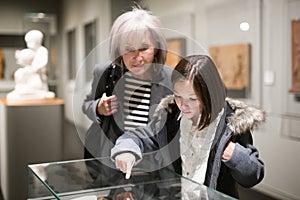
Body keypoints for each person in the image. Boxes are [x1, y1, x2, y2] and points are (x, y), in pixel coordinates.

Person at [111, 55, 265, 198]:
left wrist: (233, 154)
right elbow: (140, 136)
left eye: (193, 98)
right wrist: (127, 149)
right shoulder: (171, 117)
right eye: (178, 96)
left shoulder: (231, 124)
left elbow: (253, 176)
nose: (183, 105)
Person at [82, 6, 173, 183]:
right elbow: (87, 105)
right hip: (112, 166)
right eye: (129, 49)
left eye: (144, 48)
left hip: (154, 171)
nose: (136, 57)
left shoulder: (171, 79)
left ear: (156, 48)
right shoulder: (105, 73)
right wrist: (98, 108)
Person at [7, 30, 54, 101]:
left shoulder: (42, 51)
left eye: (30, 42)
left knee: (35, 84)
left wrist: (31, 70)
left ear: (38, 41)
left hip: (38, 75)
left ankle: (41, 93)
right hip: (31, 74)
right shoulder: (32, 51)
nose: (28, 44)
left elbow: (41, 65)